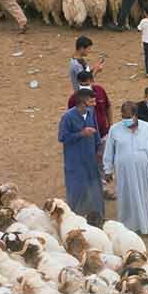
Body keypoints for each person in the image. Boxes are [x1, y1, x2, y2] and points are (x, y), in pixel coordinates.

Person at [101, 101, 148, 235]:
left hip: (143, 171)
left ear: (135, 115)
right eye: (123, 117)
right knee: (125, 197)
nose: (125, 120)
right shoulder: (115, 129)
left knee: (144, 196)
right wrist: (108, 169)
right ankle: (126, 229)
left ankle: (144, 227)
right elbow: (109, 151)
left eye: (128, 117)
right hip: (124, 172)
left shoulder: (147, 128)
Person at [57, 85, 105, 225]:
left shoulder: (91, 113)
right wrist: (81, 134)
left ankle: (97, 218)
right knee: (77, 189)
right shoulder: (67, 117)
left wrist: (98, 150)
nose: (94, 104)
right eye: (91, 101)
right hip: (75, 161)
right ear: (82, 102)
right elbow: (63, 137)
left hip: (91, 159)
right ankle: (75, 220)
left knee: (94, 188)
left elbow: (96, 134)